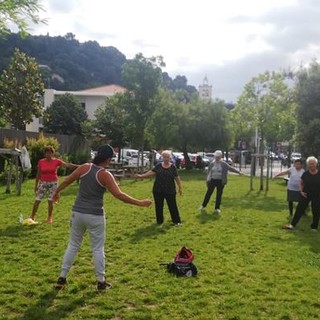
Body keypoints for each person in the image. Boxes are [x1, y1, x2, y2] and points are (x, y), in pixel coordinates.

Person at [52, 144, 152, 290]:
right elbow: (119, 195)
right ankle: (101, 281)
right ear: (109, 159)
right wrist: (140, 203)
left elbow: (67, 180)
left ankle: (61, 278)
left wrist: (57, 192)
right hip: (95, 215)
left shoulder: (84, 167)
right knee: (97, 248)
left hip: (78, 213)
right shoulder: (105, 174)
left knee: (73, 245)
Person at [30, 146, 78, 224]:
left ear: (53, 154)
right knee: (37, 200)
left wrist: (79, 167)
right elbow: (38, 173)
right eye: (46, 153)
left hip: (53, 183)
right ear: (45, 154)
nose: (48, 154)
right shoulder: (41, 162)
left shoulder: (57, 161)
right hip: (43, 183)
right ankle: (32, 216)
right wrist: (36, 185)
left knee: (50, 201)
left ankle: (49, 217)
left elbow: (67, 165)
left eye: (50, 153)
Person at [135, 150, 182, 226]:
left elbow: (177, 177)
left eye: (167, 157)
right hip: (158, 190)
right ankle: (159, 221)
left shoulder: (173, 167)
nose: (166, 159)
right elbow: (151, 172)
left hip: (170, 190)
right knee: (158, 206)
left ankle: (176, 221)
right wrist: (141, 176)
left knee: (172, 206)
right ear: (162, 157)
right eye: (164, 157)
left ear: (170, 158)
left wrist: (180, 187)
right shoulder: (159, 166)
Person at [283, 156, 320, 231]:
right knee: (299, 209)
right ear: (308, 165)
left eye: (313, 163)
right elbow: (301, 183)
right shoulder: (305, 174)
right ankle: (292, 225)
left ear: (316, 164)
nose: (311, 165)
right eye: (310, 164)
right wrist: (301, 191)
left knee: (316, 210)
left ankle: (314, 227)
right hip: (305, 194)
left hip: (317, 194)